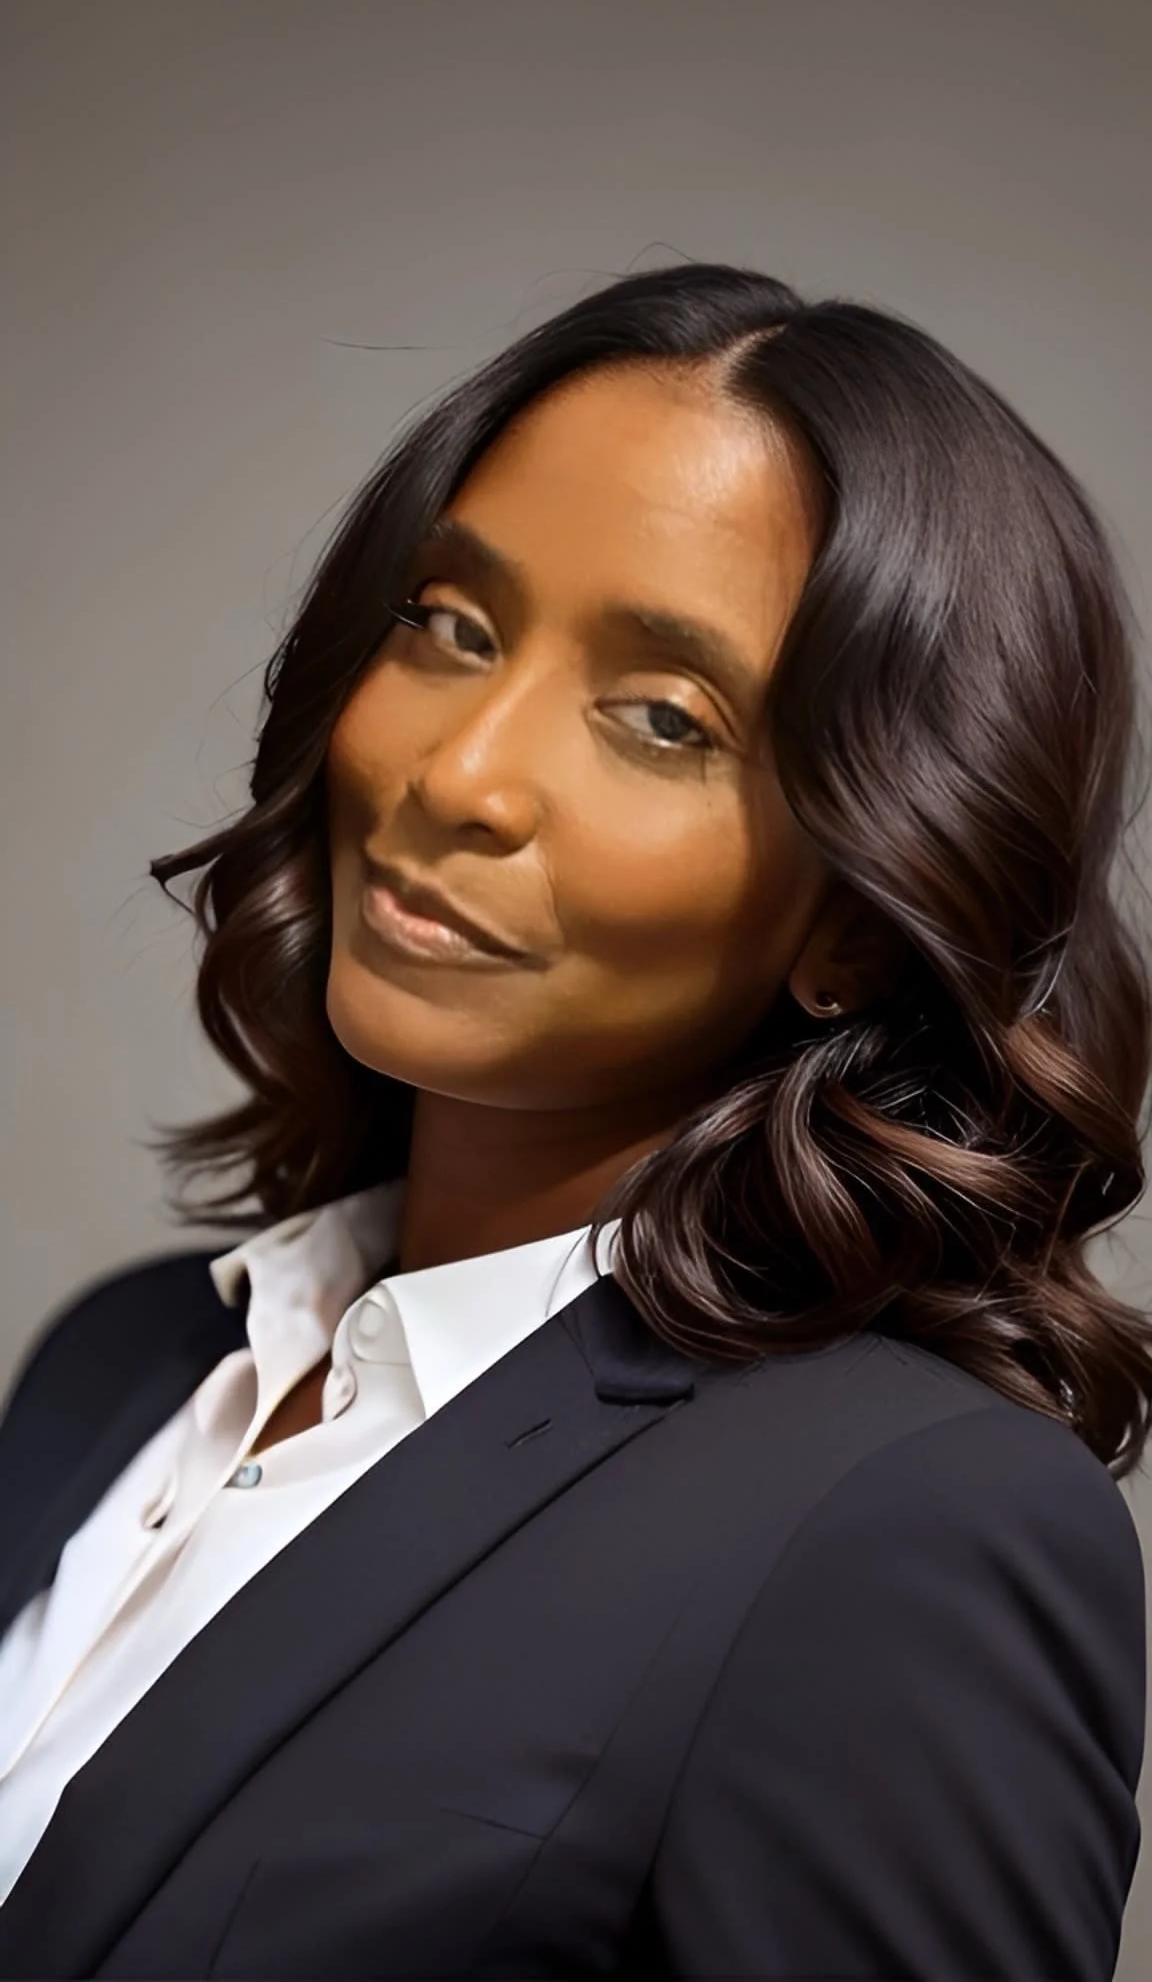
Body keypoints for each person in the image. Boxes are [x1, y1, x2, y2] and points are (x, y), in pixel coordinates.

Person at [0, 261, 1148, 1981]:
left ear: (858, 914)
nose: (457, 775)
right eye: (450, 624)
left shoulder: (901, 1535)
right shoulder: (122, 1364)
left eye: (662, 719)